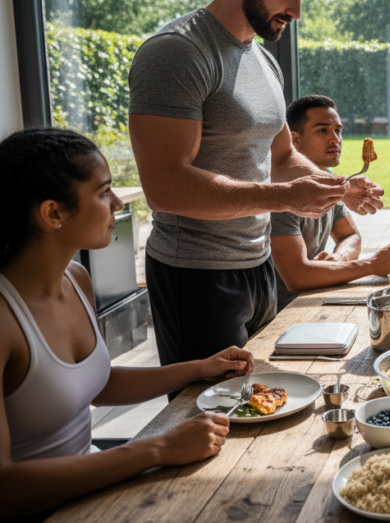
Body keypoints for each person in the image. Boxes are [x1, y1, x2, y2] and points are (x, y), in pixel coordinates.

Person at [128, 0, 384, 369]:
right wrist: (283, 197)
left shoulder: (263, 61)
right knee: (209, 416)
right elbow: (165, 186)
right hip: (196, 275)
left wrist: (338, 188)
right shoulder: (177, 52)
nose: (297, 12)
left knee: (261, 399)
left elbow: (282, 155)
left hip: (257, 264)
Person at [0, 129, 255, 519]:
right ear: (53, 213)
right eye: (104, 193)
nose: (118, 203)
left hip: (92, 493)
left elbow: (95, 384)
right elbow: (6, 486)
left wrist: (200, 368)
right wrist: (157, 448)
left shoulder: (76, 280)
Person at [271, 95, 390, 309]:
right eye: (322, 130)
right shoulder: (284, 193)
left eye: (338, 130)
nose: (335, 139)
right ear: (295, 140)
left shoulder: (330, 179)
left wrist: (339, 258)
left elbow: (350, 235)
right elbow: (297, 277)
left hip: (315, 296)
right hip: (284, 310)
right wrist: (372, 264)